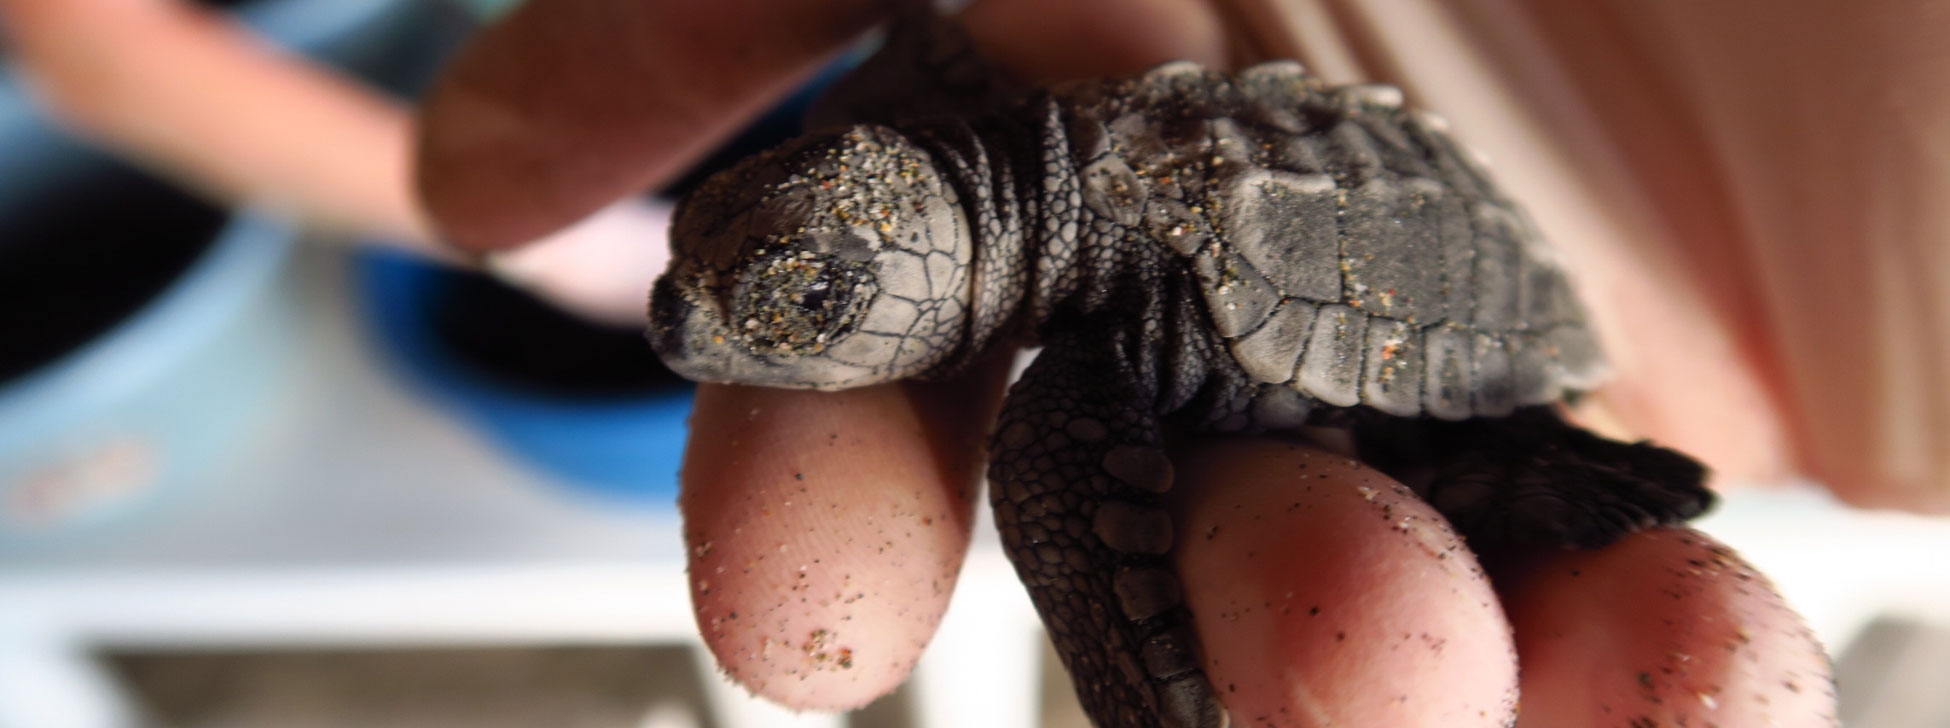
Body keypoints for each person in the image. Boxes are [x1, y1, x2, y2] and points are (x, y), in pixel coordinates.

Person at [13, 0, 1922, 723]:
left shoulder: (1086, 333)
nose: (713, 344)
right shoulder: (1014, 153)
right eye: (725, 291)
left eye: (792, 312)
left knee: (1106, 499)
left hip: (1485, 337)